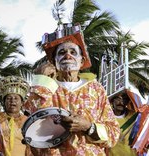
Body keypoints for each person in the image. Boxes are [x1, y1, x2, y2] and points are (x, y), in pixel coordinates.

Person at [23, 23, 120, 155]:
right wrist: (41, 81)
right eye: (61, 53)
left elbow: (113, 134)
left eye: (73, 52)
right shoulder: (45, 87)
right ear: (53, 61)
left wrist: (88, 127)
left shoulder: (96, 89)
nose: (67, 56)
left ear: (81, 61)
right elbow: (34, 129)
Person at [107, 91, 140, 156]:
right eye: (118, 99)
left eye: (124, 99)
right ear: (112, 101)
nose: (121, 102)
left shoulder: (135, 116)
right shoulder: (106, 116)